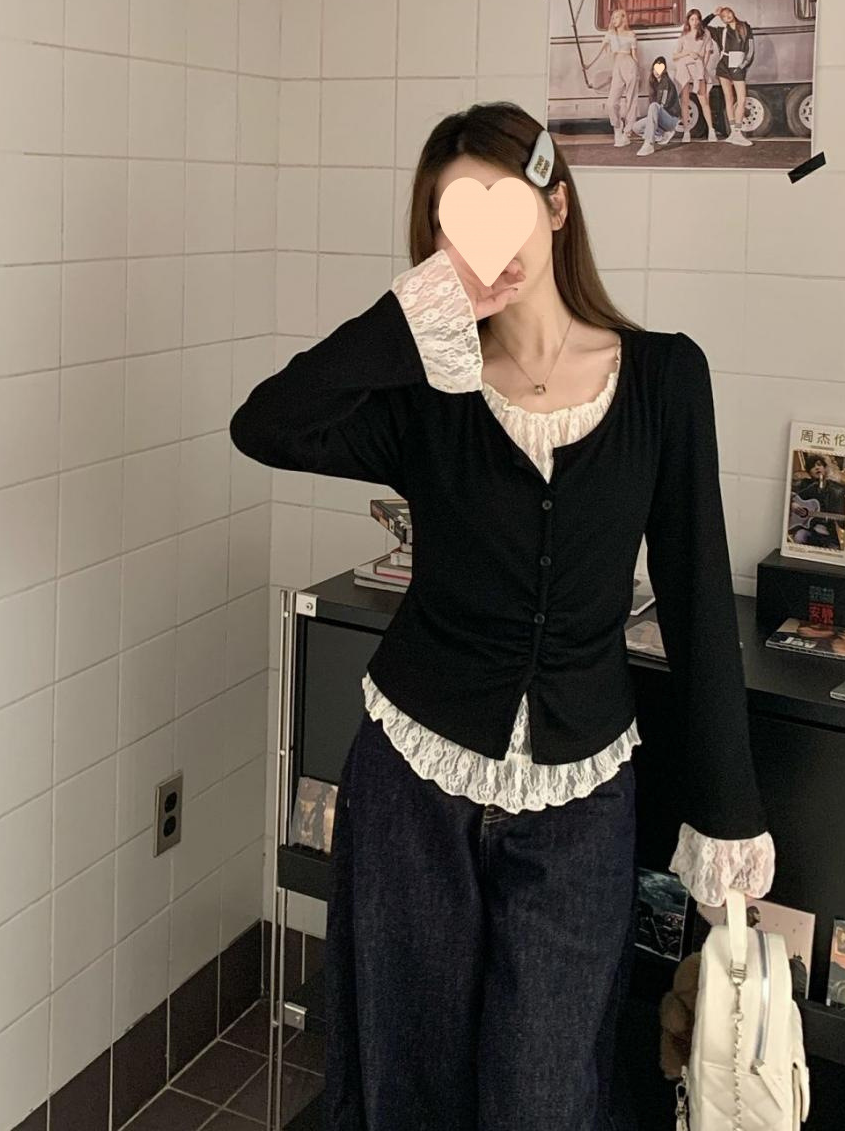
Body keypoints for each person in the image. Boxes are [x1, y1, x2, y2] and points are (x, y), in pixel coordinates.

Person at [229, 102, 775, 1131]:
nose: (489, 245)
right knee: (409, 1083)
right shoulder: (427, 393)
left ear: (557, 206)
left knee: (544, 1094)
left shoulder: (665, 379)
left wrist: (729, 809)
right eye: (457, 227)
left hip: (580, 802)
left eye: (504, 209)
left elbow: (701, 600)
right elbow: (266, 423)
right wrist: (407, 318)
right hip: (411, 784)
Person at [588, 7, 639, 147]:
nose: (613, 20)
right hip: (617, 66)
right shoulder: (610, 34)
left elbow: (635, 56)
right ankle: (617, 127)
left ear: (623, 18)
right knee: (611, 103)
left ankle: (627, 132)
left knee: (631, 100)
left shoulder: (631, 34)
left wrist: (637, 71)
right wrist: (588, 64)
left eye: (616, 17)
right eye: (613, 18)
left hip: (630, 65)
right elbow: (599, 51)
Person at [707, 5, 755, 147]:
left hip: (738, 66)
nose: (727, 16)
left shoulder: (745, 27)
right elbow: (701, 26)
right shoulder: (720, 31)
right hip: (723, 67)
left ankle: (738, 133)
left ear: (732, 13)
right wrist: (713, 14)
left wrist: (742, 66)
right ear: (721, 19)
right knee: (729, 99)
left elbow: (750, 50)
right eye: (723, 16)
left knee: (742, 99)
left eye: (728, 13)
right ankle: (734, 133)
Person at [671, 9, 717, 143]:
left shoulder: (705, 34)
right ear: (688, 21)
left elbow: (707, 53)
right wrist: (687, 53)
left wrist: (702, 66)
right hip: (684, 68)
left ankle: (711, 130)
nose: (694, 22)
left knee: (704, 100)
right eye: (692, 19)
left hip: (698, 68)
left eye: (697, 19)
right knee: (685, 101)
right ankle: (686, 132)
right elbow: (675, 56)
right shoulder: (683, 36)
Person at [629, 56, 680, 157]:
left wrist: (653, 120)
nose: (657, 72)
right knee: (636, 127)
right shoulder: (654, 83)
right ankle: (662, 135)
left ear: (664, 70)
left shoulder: (666, 82)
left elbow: (663, 106)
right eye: (655, 69)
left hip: (670, 119)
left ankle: (649, 144)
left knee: (654, 106)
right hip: (660, 117)